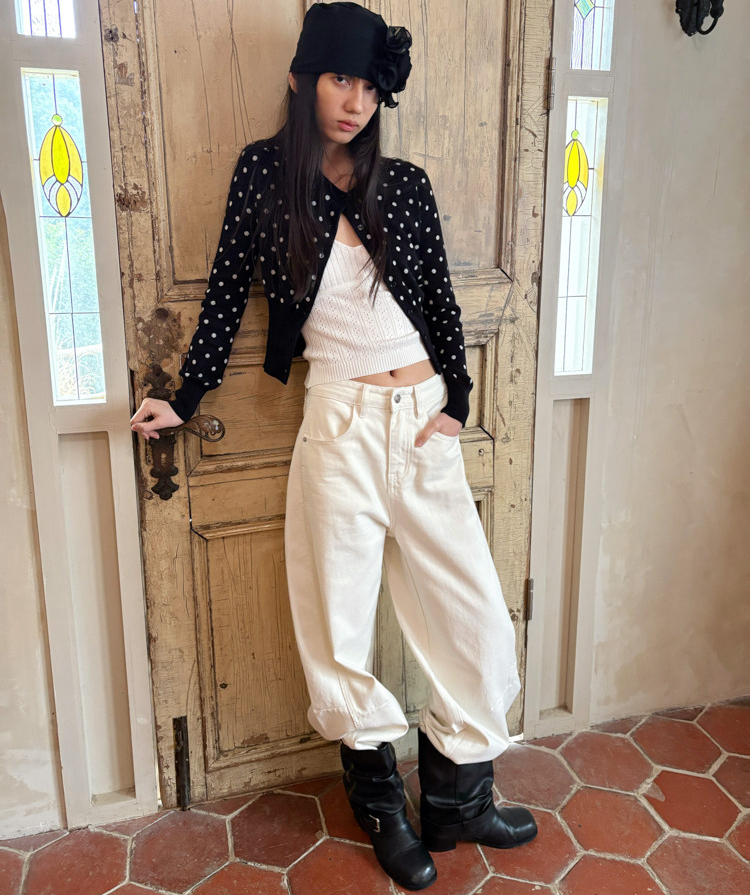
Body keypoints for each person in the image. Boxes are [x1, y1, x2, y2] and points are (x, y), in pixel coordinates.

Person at [130, 2, 536, 889]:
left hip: (422, 421)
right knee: (339, 625)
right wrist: (184, 397)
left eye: (369, 86)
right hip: (340, 425)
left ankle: (457, 797)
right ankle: (382, 805)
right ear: (301, 79)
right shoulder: (263, 176)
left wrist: (459, 401)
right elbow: (227, 290)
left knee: (474, 618)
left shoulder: (406, 184)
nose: (355, 102)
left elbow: (440, 300)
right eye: (339, 79)